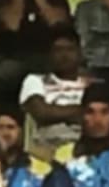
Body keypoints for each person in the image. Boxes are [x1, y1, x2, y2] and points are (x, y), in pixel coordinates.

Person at [19, 25, 92, 156]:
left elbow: (105, 116)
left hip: (87, 144)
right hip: (49, 147)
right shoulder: (35, 80)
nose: (64, 55)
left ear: (80, 53)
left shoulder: (92, 83)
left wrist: (58, 112)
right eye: (58, 50)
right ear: (49, 54)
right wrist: (82, 110)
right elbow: (42, 113)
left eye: (70, 49)